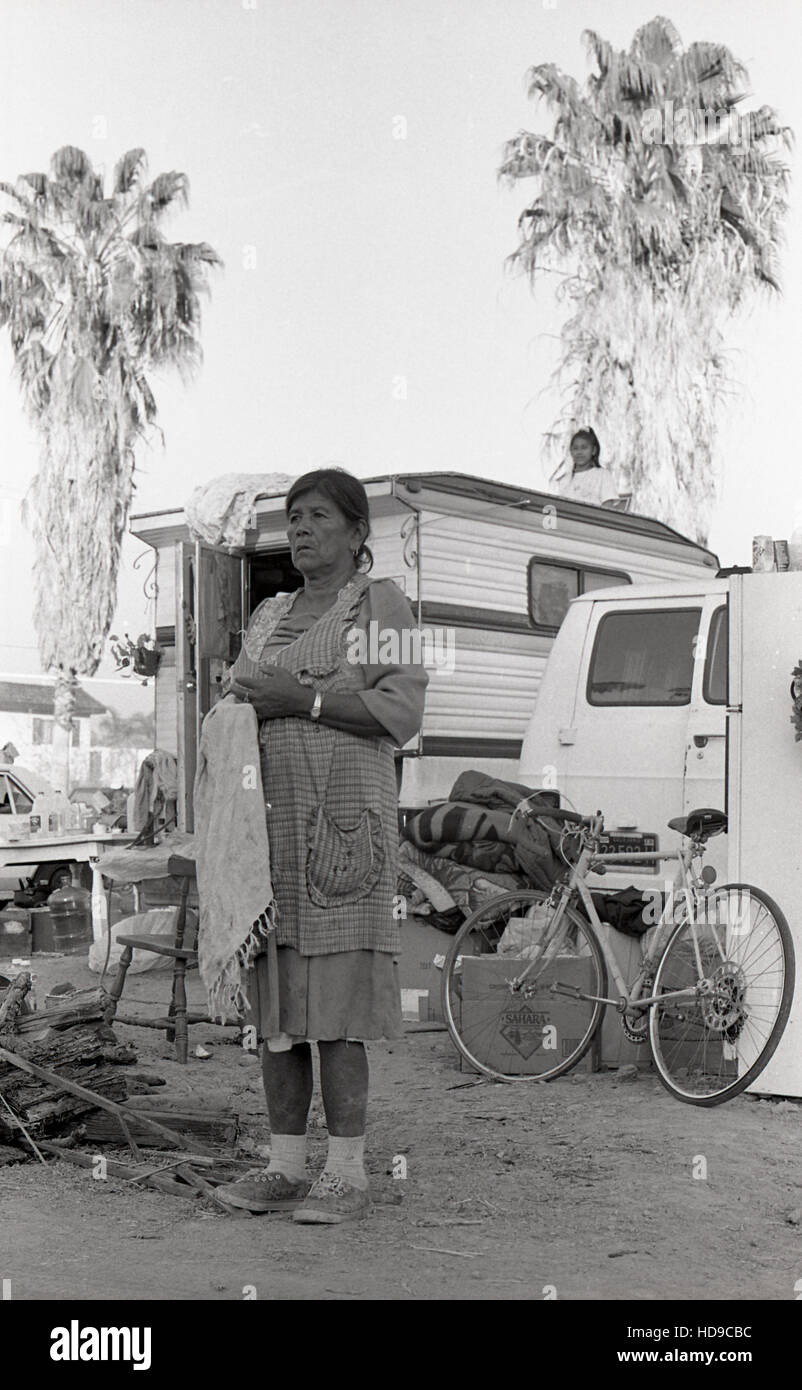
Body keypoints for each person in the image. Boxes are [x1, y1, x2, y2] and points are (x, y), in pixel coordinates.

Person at [215, 467, 428, 1224]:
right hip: (268, 839)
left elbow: (399, 712)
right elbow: (241, 699)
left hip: (341, 836)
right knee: (276, 1011)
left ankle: (347, 1174)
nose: (299, 530)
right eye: (292, 520)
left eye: (316, 517)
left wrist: (298, 698)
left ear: (356, 532)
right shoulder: (271, 611)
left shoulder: (382, 605)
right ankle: (283, 1166)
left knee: (334, 1009)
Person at [553, 428, 622, 507]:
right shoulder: (565, 479)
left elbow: (608, 507)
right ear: (571, 452)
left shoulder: (602, 475)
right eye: (575, 448)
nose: (579, 452)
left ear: (593, 450)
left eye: (584, 448)